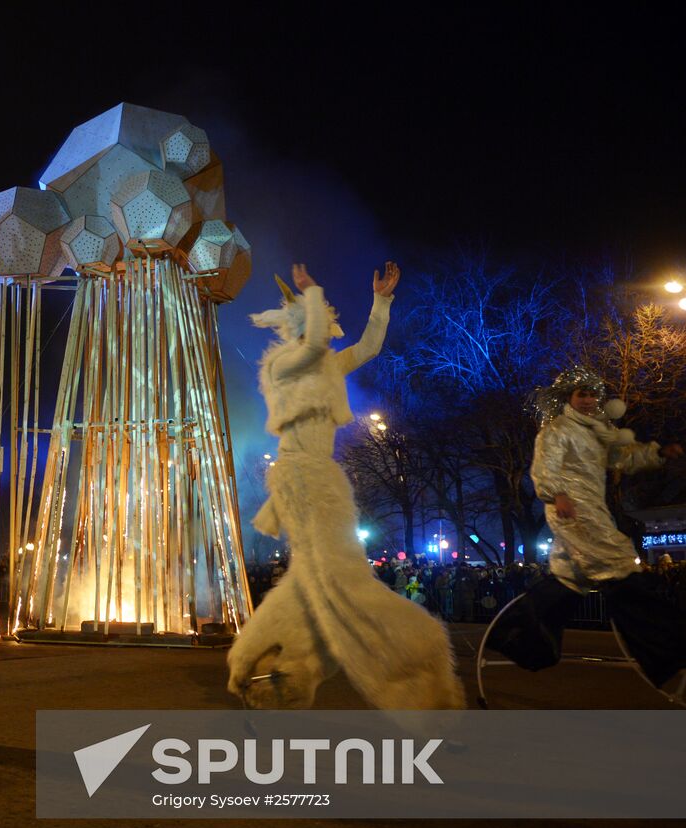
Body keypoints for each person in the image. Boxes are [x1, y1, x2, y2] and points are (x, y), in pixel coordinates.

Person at [227, 263, 463, 710]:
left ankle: (270, 669)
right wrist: (312, 291)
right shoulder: (282, 366)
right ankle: (415, 663)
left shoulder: (329, 364)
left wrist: (382, 301)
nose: (328, 333)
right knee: (342, 578)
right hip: (303, 475)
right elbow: (314, 342)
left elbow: (370, 346)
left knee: (311, 580)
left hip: (318, 474)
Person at [488, 367, 686, 685]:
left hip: (593, 508)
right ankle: (667, 650)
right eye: (582, 394)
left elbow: (624, 458)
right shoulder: (557, 430)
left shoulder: (598, 430)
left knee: (569, 580)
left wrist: (658, 453)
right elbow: (543, 470)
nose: (589, 400)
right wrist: (559, 495)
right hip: (571, 511)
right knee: (620, 564)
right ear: (569, 397)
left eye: (593, 394)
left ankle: (520, 640)